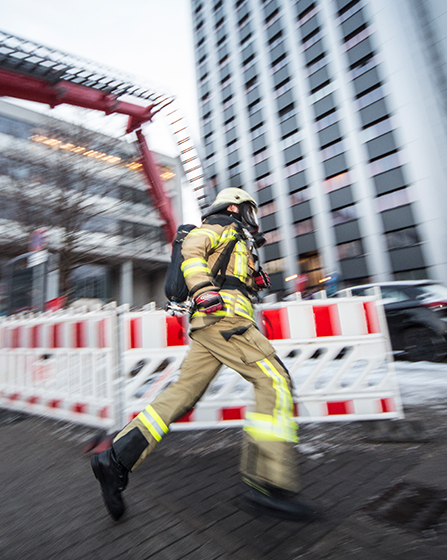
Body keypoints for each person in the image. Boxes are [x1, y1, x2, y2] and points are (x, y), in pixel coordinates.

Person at [90, 187, 315, 522]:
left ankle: (115, 459)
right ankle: (266, 483)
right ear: (236, 209)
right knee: (275, 382)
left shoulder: (238, 239)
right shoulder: (217, 227)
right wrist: (204, 289)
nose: (253, 219)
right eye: (249, 211)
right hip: (226, 321)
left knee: (183, 394)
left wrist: (253, 277)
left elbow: (228, 274)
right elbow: (193, 253)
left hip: (212, 326)